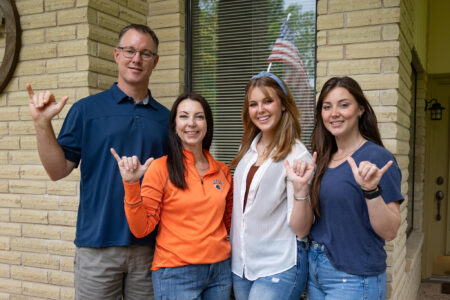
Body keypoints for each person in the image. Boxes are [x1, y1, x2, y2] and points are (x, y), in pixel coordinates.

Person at [27, 24, 169, 299]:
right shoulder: (86, 110)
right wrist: (42, 124)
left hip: (151, 249)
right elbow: (57, 171)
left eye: (145, 53)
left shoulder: (167, 119)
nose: (136, 59)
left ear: (156, 61)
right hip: (97, 247)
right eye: (129, 51)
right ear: (116, 54)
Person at [111, 92, 233, 300]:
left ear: (207, 124)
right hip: (176, 273)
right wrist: (131, 184)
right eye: (184, 116)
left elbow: (227, 223)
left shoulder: (222, 171)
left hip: (219, 272)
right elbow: (141, 229)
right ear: (174, 125)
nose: (191, 123)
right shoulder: (161, 168)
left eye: (199, 116)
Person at [308, 76, 403, 299]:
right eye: (327, 107)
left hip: (353, 278)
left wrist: (371, 190)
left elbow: (390, 231)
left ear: (360, 109)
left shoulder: (377, 157)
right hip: (318, 272)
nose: (334, 113)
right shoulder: (323, 158)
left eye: (344, 104)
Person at [230, 71, 314, 300]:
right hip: (241, 266)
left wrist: (300, 191)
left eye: (268, 101)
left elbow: (302, 230)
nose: (260, 110)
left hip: (279, 264)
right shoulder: (247, 149)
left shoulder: (298, 156)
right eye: (253, 104)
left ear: (283, 105)